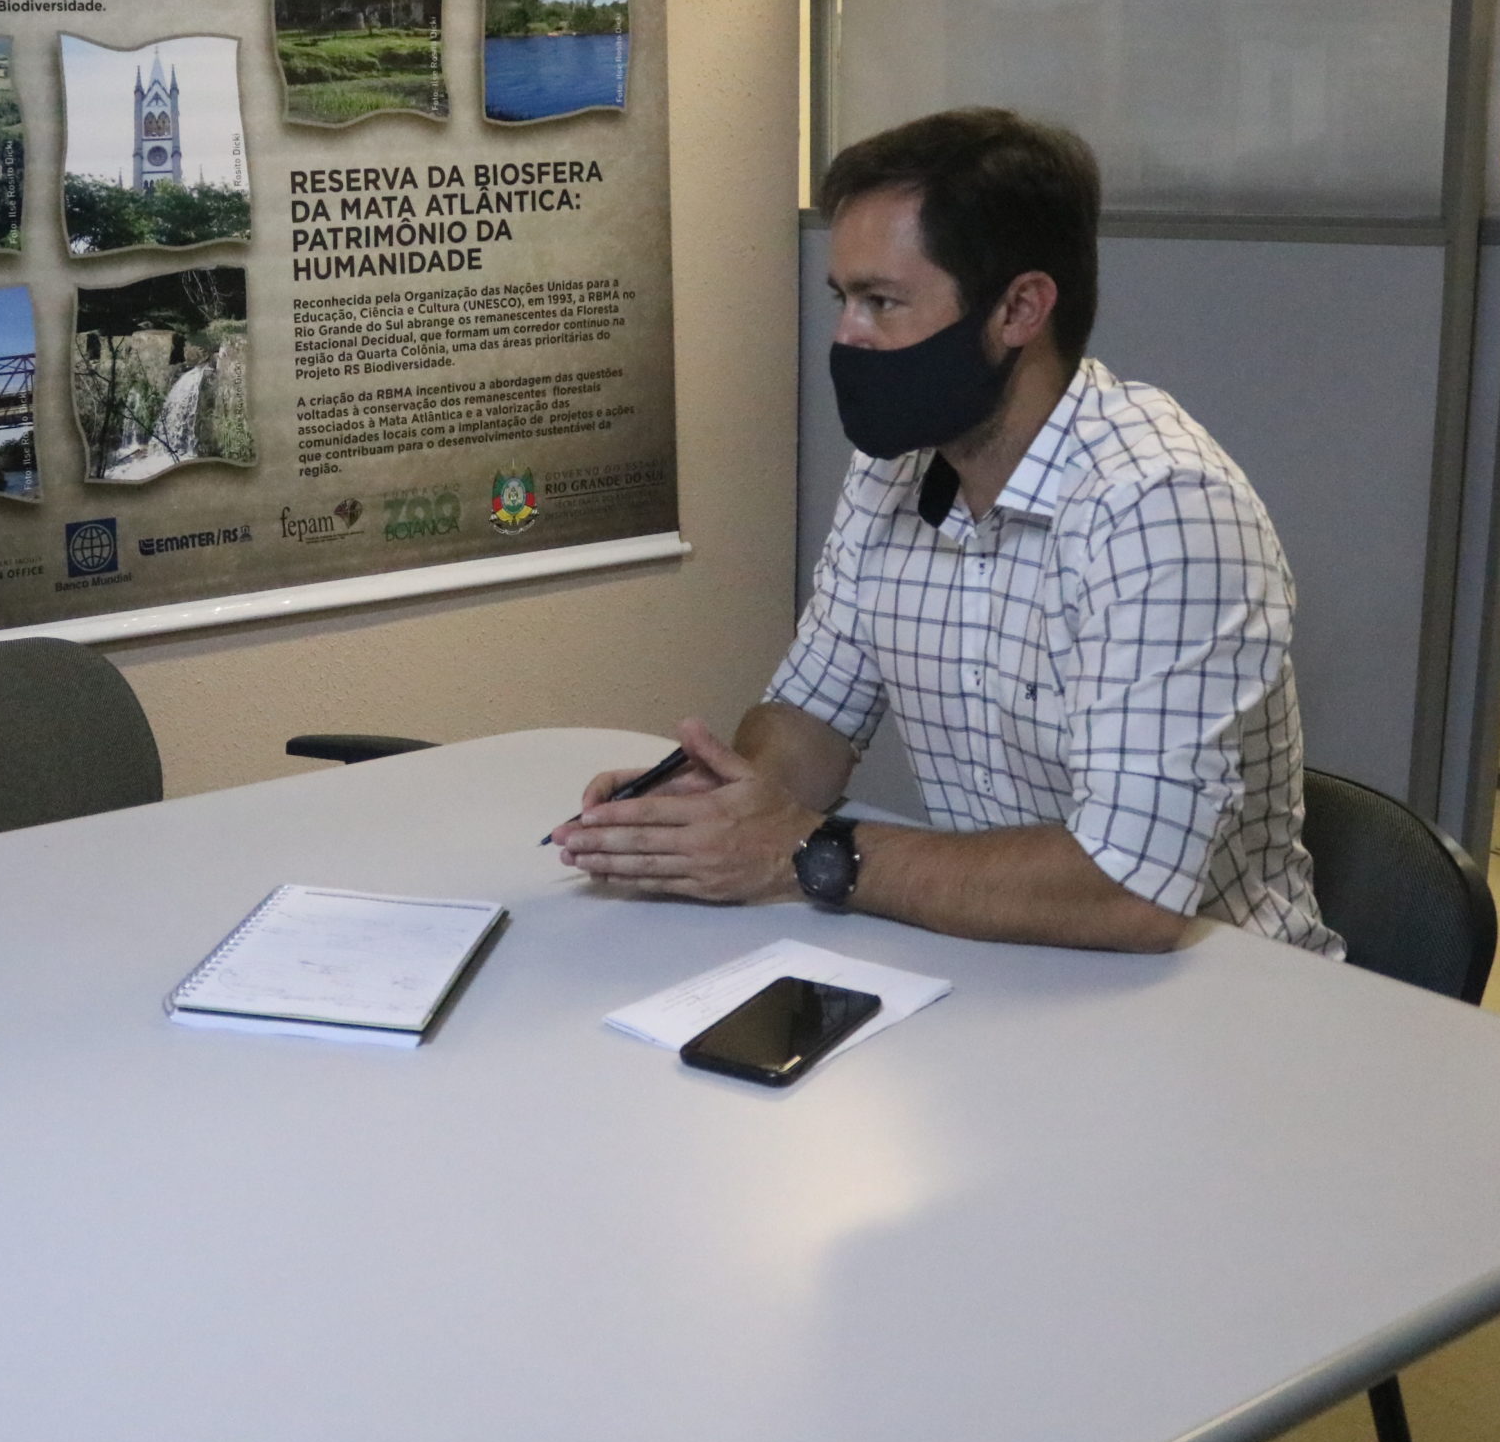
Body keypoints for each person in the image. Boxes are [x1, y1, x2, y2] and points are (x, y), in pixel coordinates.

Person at [554, 109, 1337, 956]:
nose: (847, 335)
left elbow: (1128, 888)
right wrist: (714, 811)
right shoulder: (896, 469)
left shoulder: (1161, 508)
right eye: (843, 299)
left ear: (1020, 309)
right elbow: (810, 718)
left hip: (1216, 1000)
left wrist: (802, 851)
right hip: (1000, 961)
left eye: (881, 301)